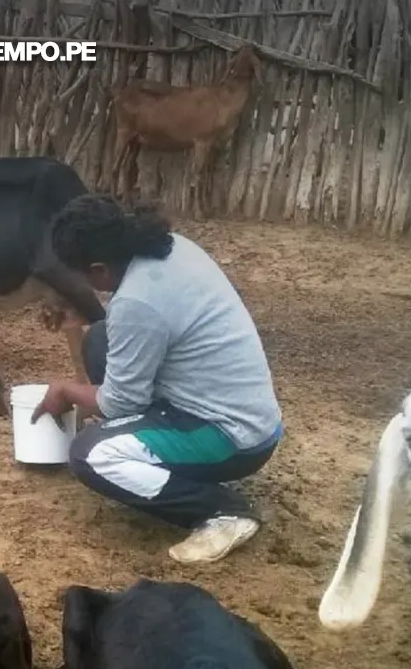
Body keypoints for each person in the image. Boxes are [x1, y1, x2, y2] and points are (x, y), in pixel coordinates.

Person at [31, 194, 283, 564]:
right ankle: (151, 444)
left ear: (99, 269)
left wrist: (66, 390)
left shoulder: (136, 303)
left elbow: (120, 403)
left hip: (231, 438)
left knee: (89, 455)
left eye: (83, 275)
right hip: (248, 414)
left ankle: (222, 510)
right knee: (100, 341)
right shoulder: (174, 247)